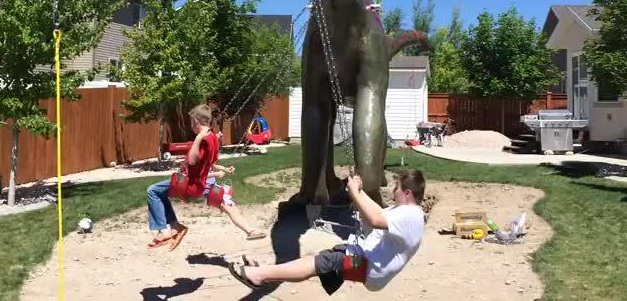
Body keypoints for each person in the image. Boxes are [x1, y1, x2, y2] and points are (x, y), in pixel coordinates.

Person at [228, 170, 426, 295]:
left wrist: (356, 193)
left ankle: (259, 274)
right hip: (362, 257)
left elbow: (375, 219)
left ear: (408, 193)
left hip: (368, 267)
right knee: (317, 260)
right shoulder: (400, 211)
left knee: (320, 263)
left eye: (397, 188)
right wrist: (358, 191)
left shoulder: (412, 216)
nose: (393, 192)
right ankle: (263, 273)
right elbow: (375, 215)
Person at [145, 104, 216, 250]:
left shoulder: (203, 138)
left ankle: (163, 231)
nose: (191, 125)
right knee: (161, 193)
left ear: (196, 121)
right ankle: (175, 226)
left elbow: (192, 160)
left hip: (190, 185)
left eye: (191, 121)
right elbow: (211, 159)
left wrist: (198, 139)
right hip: (198, 184)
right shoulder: (213, 137)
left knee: (152, 191)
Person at [204, 110, 267, 240]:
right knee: (229, 207)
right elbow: (199, 176)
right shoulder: (201, 152)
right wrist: (215, 173)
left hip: (212, 187)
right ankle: (250, 231)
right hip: (207, 188)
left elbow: (213, 165)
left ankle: (249, 229)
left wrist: (226, 169)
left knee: (231, 206)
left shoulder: (207, 153)